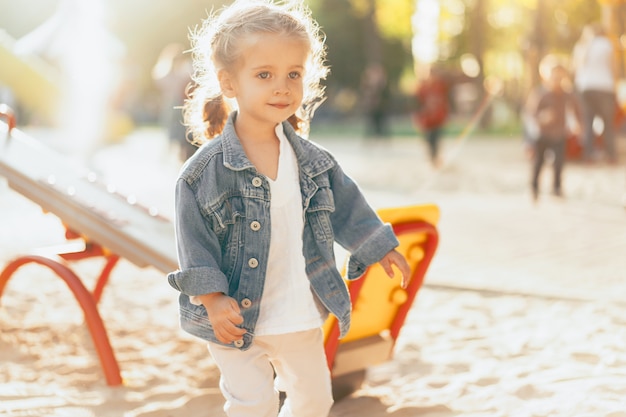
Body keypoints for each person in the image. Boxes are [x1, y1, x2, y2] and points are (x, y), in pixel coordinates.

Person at [166, 1, 411, 416]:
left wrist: (377, 245)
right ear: (229, 82)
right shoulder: (201, 174)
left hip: (296, 309)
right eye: (264, 75)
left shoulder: (314, 162)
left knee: (315, 401)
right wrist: (210, 297)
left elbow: (348, 206)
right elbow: (193, 240)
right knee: (254, 403)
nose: (282, 87)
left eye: (293, 74)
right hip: (236, 317)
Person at [525, 56, 581, 201]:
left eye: (560, 78)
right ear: (546, 76)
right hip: (542, 134)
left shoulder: (567, 94)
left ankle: (556, 187)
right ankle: (534, 187)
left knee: (559, 162)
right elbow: (531, 113)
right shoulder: (541, 94)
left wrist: (577, 124)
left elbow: (576, 109)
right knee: (539, 162)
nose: (557, 81)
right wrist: (542, 117)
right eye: (554, 77)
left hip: (559, 134)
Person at [571, 22, 618, 163]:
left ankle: (588, 155)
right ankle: (611, 155)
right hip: (605, 86)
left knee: (588, 121)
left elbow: (575, 68)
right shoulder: (607, 44)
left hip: (585, 87)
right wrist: (615, 86)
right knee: (608, 123)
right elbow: (613, 67)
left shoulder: (581, 46)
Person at [152, 42, 197, 162]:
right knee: (172, 131)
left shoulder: (187, 68)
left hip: (184, 104)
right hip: (171, 104)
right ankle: (170, 154)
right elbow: (161, 81)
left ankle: (183, 155)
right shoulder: (165, 70)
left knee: (184, 133)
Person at [413, 67, 449, 168]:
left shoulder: (441, 85)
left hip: (438, 118)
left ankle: (435, 157)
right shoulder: (424, 87)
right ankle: (432, 156)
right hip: (428, 119)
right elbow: (418, 102)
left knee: (436, 138)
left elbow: (445, 100)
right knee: (428, 139)